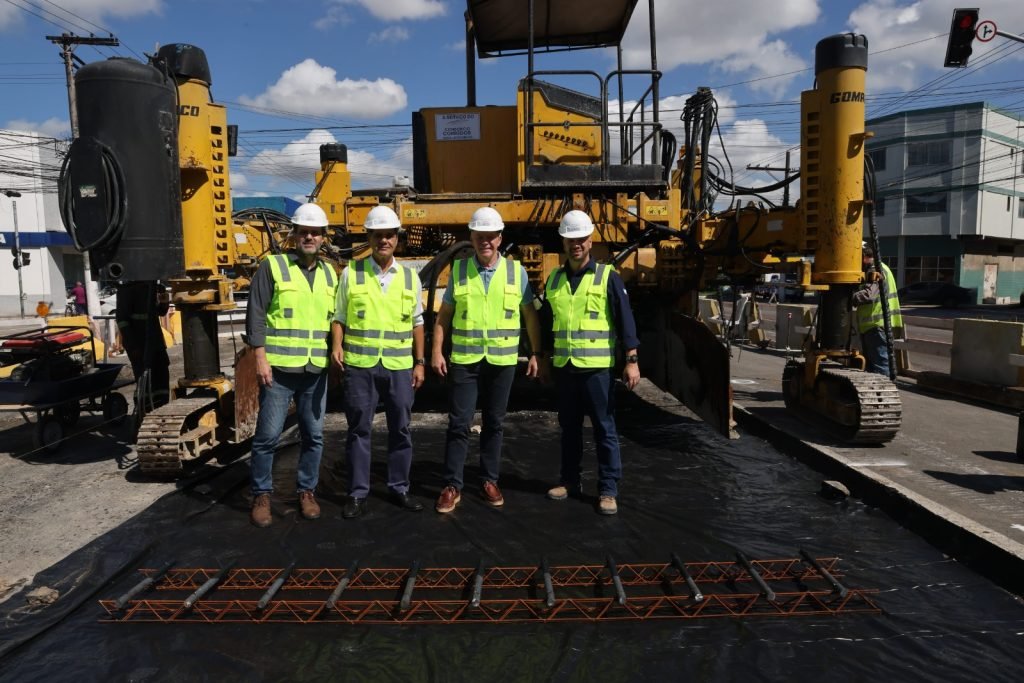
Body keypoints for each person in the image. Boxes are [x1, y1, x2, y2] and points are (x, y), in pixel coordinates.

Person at [431, 207, 543, 514]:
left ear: (499, 239)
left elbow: (529, 314)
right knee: (458, 423)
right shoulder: (459, 270)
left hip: (502, 360)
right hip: (466, 360)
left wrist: (535, 352)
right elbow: (445, 316)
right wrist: (437, 351)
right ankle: (453, 485)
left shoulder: (515, 271)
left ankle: (489, 480)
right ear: (472, 238)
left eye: (491, 237)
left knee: (494, 423)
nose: (486, 242)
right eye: (480, 237)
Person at [245, 203, 337, 527]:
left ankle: (306, 492)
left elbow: (336, 320)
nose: (309, 237)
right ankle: (261, 495)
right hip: (280, 371)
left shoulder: (329, 274)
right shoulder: (273, 267)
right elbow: (255, 313)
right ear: (294, 235)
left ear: (323, 237)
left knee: (314, 436)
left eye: (315, 232)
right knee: (268, 436)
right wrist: (260, 358)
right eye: (304, 231)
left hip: (315, 371)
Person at [542, 210, 640, 516]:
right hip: (566, 367)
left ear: (590, 240)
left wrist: (632, 360)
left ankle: (608, 489)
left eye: (581, 239)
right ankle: (569, 481)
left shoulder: (607, 277)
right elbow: (548, 323)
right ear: (563, 241)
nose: (576, 245)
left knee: (604, 429)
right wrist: (544, 359)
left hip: (597, 370)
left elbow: (626, 321)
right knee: (569, 428)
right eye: (571, 239)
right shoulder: (555, 279)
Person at [331, 205, 426, 518]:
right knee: (359, 430)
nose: (384, 240)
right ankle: (358, 493)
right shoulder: (351, 273)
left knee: (401, 429)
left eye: (389, 235)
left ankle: (399, 488)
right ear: (369, 237)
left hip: (399, 367)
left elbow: (417, 322)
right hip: (361, 366)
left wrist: (420, 361)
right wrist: (336, 346)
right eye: (377, 235)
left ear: (396, 238)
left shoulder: (410, 278)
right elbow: (339, 316)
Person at [116, 281, 171, 410]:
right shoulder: (127, 289)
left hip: (156, 342)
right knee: (144, 379)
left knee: (161, 374)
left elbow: (161, 312)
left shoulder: (150, 288)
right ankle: (142, 411)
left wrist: (163, 297)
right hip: (139, 344)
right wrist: (132, 345)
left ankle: (162, 408)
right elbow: (122, 321)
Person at [853, 242, 903, 377]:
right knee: (874, 366)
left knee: (880, 365)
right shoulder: (881, 268)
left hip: (876, 325)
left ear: (863, 256)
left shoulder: (876, 269)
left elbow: (869, 295)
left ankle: (883, 393)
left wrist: (848, 298)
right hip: (874, 325)